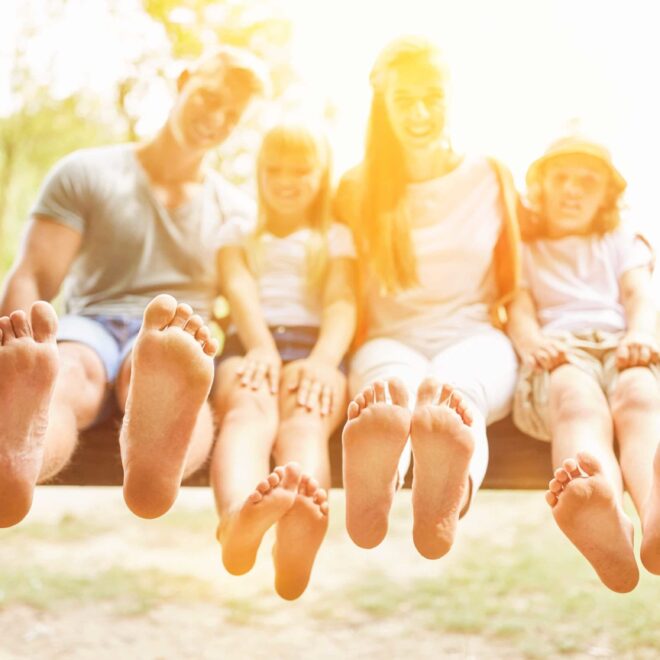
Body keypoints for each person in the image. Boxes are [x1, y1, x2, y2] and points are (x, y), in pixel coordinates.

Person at [0, 45, 267, 527]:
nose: (215, 119)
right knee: (69, 375)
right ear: (183, 79)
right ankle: (18, 457)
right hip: (92, 326)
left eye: (232, 116)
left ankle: (157, 459)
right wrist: (24, 340)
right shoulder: (88, 173)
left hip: (177, 338)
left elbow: (247, 297)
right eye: (209, 98)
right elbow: (34, 275)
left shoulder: (237, 211)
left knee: (163, 377)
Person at [333, 36, 521, 559]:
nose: (419, 112)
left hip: (477, 335)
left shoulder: (490, 176)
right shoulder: (354, 187)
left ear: (451, 96)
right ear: (383, 105)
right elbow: (341, 290)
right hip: (390, 339)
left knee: (457, 397)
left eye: (432, 97)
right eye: (404, 100)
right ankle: (377, 487)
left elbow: (523, 275)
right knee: (390, 392)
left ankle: (446, 501)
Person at [211, 120, 356, 599]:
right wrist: (260, 347)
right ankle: (237, 516)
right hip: (251, 342)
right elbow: (238, 288)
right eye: (275, 169)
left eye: (301, 169)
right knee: (247, 411)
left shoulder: (335, 237)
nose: (287, 180)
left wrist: (322, 360)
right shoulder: (238, 230)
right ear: (259, 172)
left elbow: (341, 303)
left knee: (305, 420)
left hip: (315, 347)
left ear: (322, 174)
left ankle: (297, 531)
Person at [507, 135, 660, 592]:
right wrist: (532, 343)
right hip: (559, 352)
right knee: (576, 401)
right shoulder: (523, 248)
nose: (572, 190)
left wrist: (639, 335)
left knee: (640, 396)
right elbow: (518, 306)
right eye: (561, 179)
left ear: (606, 197)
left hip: (620, 344)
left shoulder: (618, 239)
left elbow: (638, 294)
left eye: (587, 182)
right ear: (540, 187)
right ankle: (603, 506)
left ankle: (653, 513)